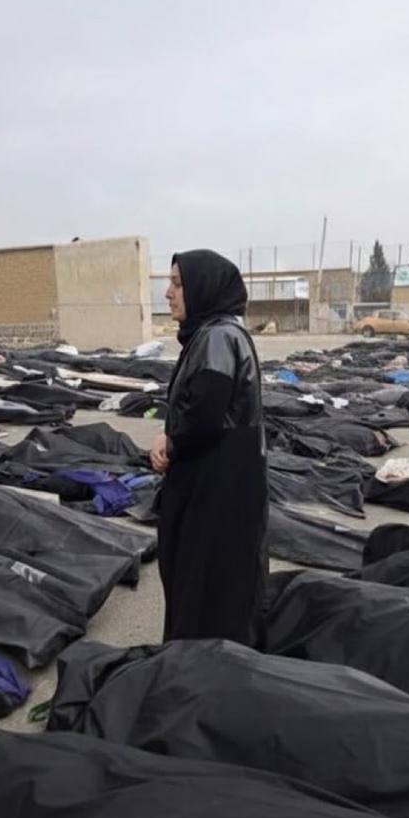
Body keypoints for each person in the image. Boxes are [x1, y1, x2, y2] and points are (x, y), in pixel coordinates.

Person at [151, 250, 268, 644]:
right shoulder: (220, 333)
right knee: (220, 586)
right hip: (226, 481)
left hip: (215, 485)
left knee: (205, 587)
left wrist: (169, 444)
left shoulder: (217, 337)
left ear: (203, 287)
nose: (168, 293)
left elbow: (203, 417)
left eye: (177, 284)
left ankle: (198, 668)